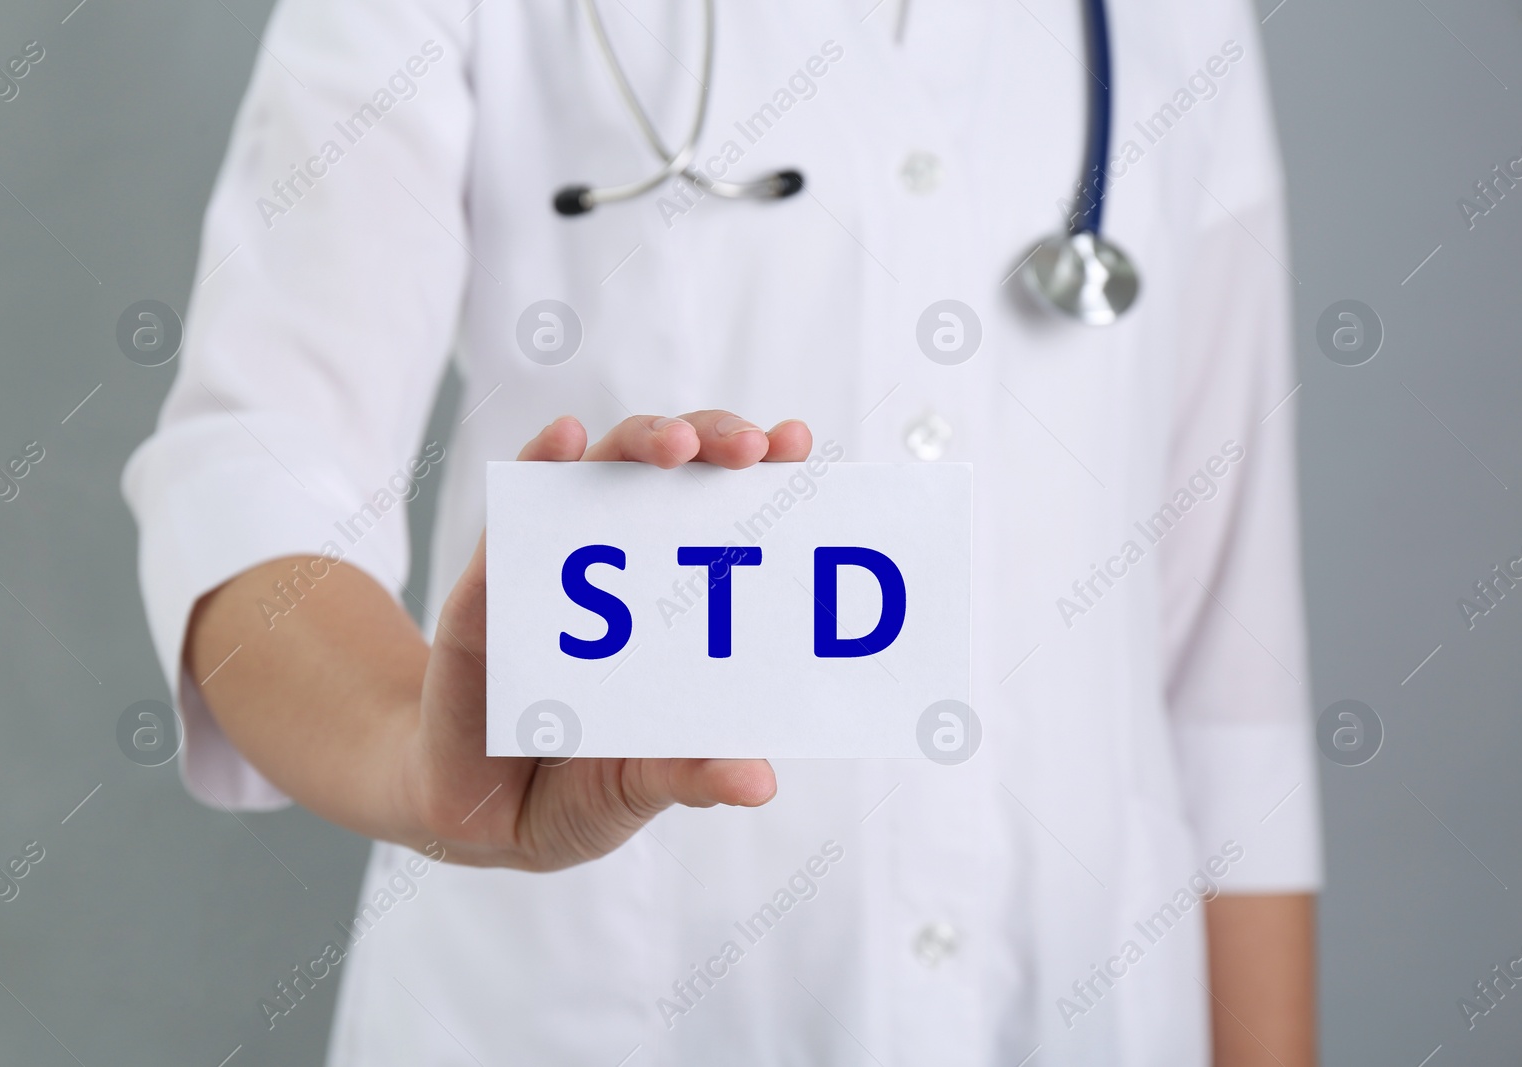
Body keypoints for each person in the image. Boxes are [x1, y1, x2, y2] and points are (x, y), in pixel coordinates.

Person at [123, 1, 1320, 1063]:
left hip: (1082, 1005)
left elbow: (1226, 678)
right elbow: (257, 465)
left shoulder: (1175, 20)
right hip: (582, 1004)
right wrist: (414, 755)